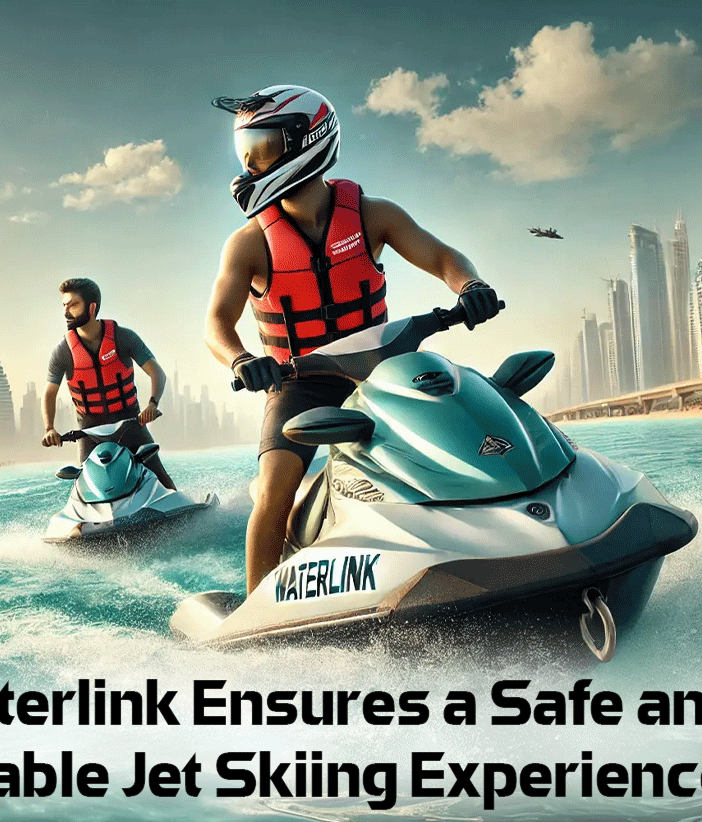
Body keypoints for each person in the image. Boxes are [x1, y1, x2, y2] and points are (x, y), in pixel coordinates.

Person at [204, 85, 500, 595]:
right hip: (301, 382)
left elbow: (443, 257)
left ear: (307, 140)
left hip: (386, 369)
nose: (250, 166)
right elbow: (216, 323)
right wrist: (241, 360)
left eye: (263, 148)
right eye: (244, 152)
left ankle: (510, 535)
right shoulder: (250, 242)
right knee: (274, 493)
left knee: (472, 435)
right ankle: (254, 616)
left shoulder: (371, 214)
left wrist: (469, 285)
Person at [42, 278, 177, 489]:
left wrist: (152, 404)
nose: (66, 312)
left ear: (92, 307)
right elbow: (49, 393)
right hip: (89, 431)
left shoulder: (123, 338)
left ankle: (176, 504)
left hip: (130, 422)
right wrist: (49, 428)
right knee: (86, 487)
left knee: (160, 476)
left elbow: (157, 372)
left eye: (73, 305)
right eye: (64, 305)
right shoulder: (63, 351)